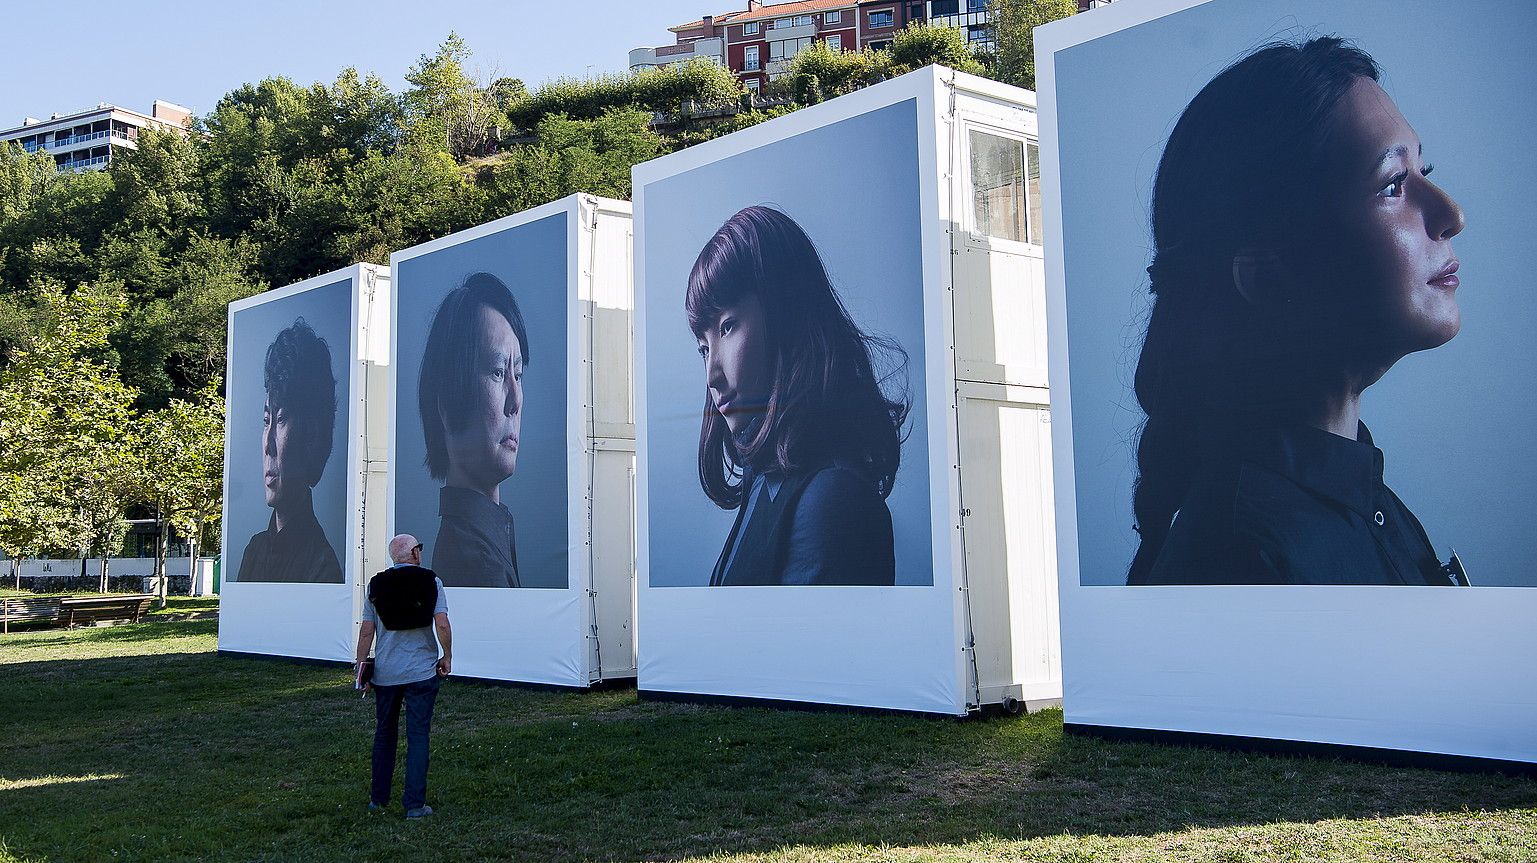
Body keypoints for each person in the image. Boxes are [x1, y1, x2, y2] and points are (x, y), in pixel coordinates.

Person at [1126, 37, 1469, 586]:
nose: (1450, 215)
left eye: (1425, 169)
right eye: (1394, 185)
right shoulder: (1241, 560)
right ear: (1269, 274)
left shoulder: (1366, 508)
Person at [687, 205, 909, 586]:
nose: (712, 374)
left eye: (727, 327)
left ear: (786, 315)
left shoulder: (832, 497)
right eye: (704, 347)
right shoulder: (769, 480)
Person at [417, 273, 529, 588]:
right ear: (447, 403)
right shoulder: (473, 560)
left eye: (517, 374)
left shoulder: (488, 536)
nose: (516, 400)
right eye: (497, 372)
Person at [235, 318, 343, 584]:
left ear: (313, 437)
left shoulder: (322, 564)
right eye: (266, 421)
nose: (267, 444)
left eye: (281, 420)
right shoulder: (253, 551)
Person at [356, 533, 451, 818]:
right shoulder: (431, 581)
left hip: (386, 675)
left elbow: (366, 631)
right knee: (418, 736)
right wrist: (447, 656)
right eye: (419, 548)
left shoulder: (376, 584)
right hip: (421, 672)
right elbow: (442, 624)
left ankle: (378, 799)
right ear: (413, 553)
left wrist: (361, 667)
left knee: (384, 735)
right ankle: (414, 805)